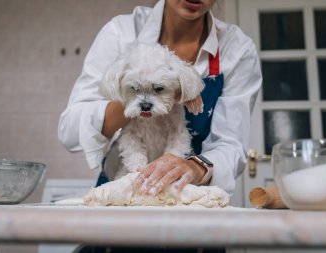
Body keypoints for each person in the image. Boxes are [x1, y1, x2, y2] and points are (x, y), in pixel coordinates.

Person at [58, 0, 261, 251]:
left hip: (189, 211)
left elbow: (231, 145)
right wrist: (143, 97)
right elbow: (69, 131)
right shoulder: (122, 32)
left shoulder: (236, 49)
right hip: (120, 212)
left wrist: (192, 167)